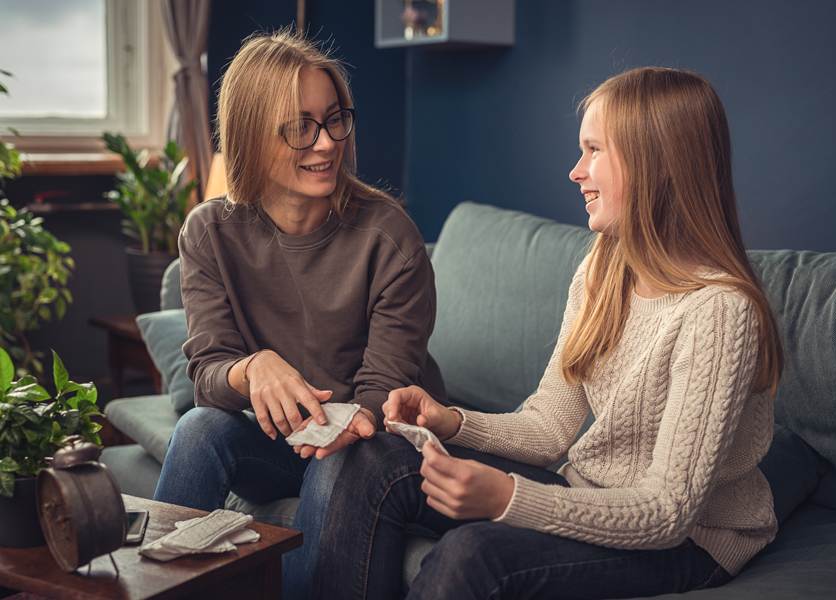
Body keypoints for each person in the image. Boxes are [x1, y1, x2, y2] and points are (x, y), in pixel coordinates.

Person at [308, 67, 786, 600]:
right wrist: (452, 423)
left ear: (657, 162)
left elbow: (667, 513)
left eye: (593, 150)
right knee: (376, 455)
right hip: (593, 498)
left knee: (473, 553)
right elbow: (548, 428)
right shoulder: (602, 270)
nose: (575, 171)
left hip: (689, 544)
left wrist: (508, 497)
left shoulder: (719, 312)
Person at [152, 28, 445, 600]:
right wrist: (252, 367)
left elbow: (382, 393)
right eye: (300, 126)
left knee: (342, 465)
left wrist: (329, 425)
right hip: (285, 442)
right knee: (198, 431)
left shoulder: (389, 238)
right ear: (251, 135)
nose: (327, 142)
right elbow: (209, 374)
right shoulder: (209, 232)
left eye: (335, 119)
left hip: (374, 439)